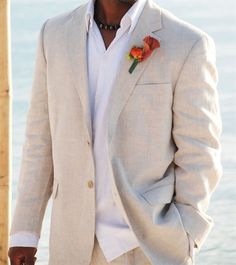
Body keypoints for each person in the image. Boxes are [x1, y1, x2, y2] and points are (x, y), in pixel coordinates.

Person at [8, 0, 223, 264]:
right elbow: (40, 141)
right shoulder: (53, 35)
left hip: (147, 247)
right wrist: (24, 234)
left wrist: (186, 233)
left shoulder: (187, 44)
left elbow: (199, 152)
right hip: (71, 246)